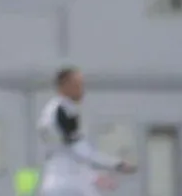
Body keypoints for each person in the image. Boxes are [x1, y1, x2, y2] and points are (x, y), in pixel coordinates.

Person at [37, 67, 137, 196]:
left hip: (59, 180)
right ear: (64, 86)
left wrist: (92, 177)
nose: (82, 90)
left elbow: (67, 152)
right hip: (68, 186)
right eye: (77, 84)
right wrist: (116, 164)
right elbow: (80, 150)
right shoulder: (62, 111)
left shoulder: (53, 110)